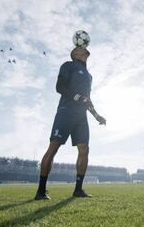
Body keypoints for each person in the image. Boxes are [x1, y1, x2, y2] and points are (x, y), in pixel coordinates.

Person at [34, 46, 106, 200]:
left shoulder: (89, 76)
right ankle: (41, 191)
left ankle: (78, 190)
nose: (85, 49)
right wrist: (77, 98)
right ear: (75, 54)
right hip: (66, 111)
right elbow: (59, 87)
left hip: (81, 116)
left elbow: (87, 99)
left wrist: (97, 116)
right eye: (80, 48)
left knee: (84, 149)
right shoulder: (68, 65)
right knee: (53, 148)